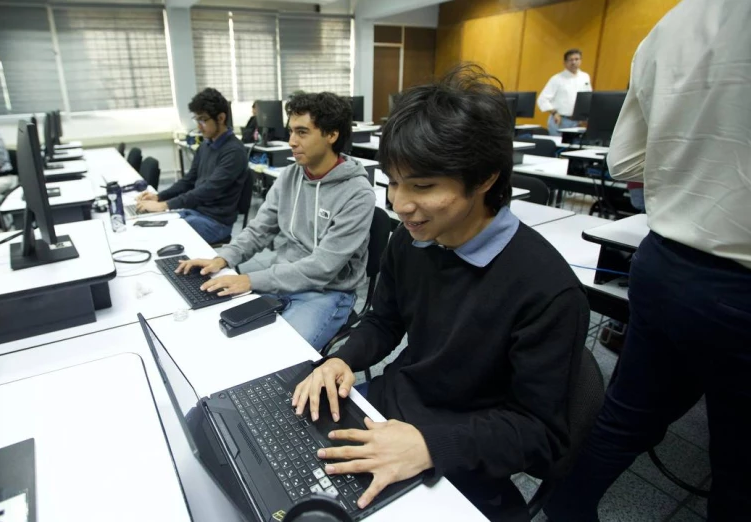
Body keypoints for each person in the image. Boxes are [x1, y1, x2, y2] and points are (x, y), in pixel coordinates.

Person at [290, 66, 590, 522]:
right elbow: (384, 320)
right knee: (283, 466)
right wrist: (342, 359)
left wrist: (430, 445)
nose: (400, 204)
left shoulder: (547, 290)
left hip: (462, 449)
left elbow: (539, 434)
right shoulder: (412, 239)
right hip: (390, 407)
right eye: (392, 181)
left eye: (423, 186)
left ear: (486, 177)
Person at [545, 1, 751, 520]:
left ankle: (566, 510)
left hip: (668, 265)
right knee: (739, 465)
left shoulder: (677, 20)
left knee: (625, 418)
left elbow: (627, 161)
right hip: (741, 280)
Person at [176, 92, 374, 351]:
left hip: (327, 293)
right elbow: (260, 229)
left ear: (331, 135)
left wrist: (250, 280)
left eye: (302, 132)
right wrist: (223, 259)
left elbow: (323, 268)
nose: (291, 141)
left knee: (279, 354)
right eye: (291, 131)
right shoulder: (290, 176)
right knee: (225, 336)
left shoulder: (357, 193)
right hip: (280, 279)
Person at [136, 88, 247, 244]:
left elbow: (208, 190)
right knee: (146, 226)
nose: (199, 126)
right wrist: (159, 197)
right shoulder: (206, 145)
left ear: (221, 118)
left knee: (160, 238)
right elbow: (188, 180)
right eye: (197, 120)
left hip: (215, 223)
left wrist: (164, 205)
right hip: (195, 212)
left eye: (203, 120)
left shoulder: (234, 152)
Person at [537, 49, 592, 136]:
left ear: (581, 61)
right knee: (558, 147)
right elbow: (542, 99)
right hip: (560, 120)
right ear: (565, 63)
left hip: (577, 122)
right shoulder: (557, 79)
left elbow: (587, 97)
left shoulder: (585, 77)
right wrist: (554, 113)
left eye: (577, 59)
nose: (574, 62)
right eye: (571, 60)